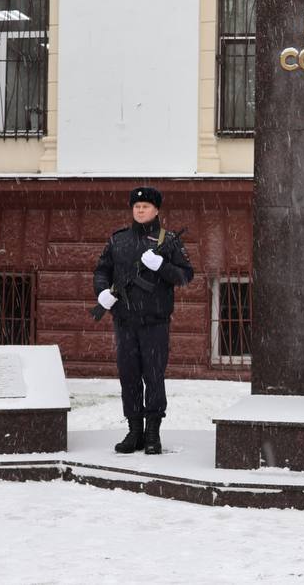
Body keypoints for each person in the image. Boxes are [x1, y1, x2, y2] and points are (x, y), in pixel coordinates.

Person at [93, 186, 193, 455]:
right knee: (129, 376)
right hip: (125, 320)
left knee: (153, 375)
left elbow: (185, 276)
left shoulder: (167, 240)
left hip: (155, 321)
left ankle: (152, 433)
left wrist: (162, 266)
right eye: (136, 207)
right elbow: (102, 270)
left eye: (146, 206)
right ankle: (134, 430)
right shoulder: (119, 240)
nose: (140, 210)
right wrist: (102, 291)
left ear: (156, 210)